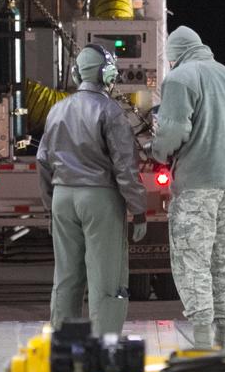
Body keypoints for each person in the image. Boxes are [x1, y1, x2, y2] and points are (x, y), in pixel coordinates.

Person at [152, 26, 225, 350]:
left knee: (193, 258)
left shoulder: (181, 79)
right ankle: (224, 336)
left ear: (173, 56)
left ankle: (203, 338)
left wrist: (157, 151)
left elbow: (174, 131)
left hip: (198, 185)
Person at [38, 45, 147, 337]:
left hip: (63, 197)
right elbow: (125, 167)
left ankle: (63, 345)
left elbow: (41, 160)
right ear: (108, 74)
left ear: (76, 73)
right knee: (106, 279)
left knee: (66, 277)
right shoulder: (110, 111)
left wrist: (51, 206)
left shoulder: (57, 109)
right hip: (99, 198)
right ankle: (103, 345)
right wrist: (138, 210)